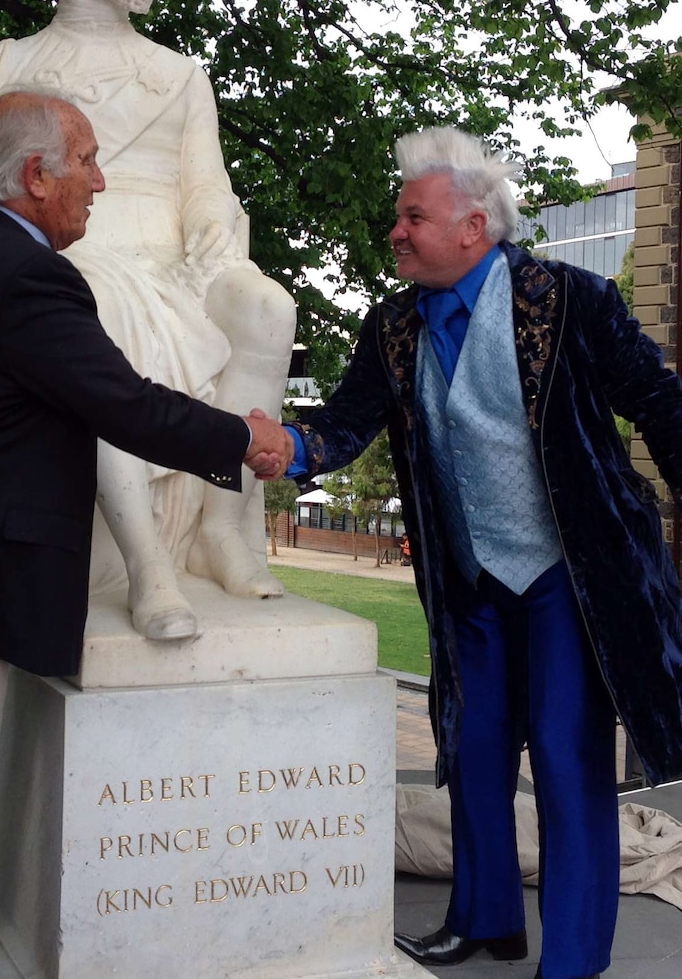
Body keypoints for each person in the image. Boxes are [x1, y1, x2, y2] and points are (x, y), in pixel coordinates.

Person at [0, 91, 292, 979]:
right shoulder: (30, 277)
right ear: (35, 177)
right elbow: (121, 399)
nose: (101, 180)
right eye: (86, 159)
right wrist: (243, 437)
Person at [283, 126, 682, 979]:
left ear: (474, 226)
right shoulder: (391, 326)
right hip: (466, 579)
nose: (395, 230)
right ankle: (486, 916)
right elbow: (342, 426)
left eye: (411, 215)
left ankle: (571, 963)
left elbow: (658, 399)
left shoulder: (572, 300)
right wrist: (282, 444)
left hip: (564, 574)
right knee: (471, 746)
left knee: (570, 759)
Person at [0, 0, 296, 643]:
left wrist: (212, 238)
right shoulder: (11, 65)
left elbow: (208, 192)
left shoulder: (180, 75)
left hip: (177, 266)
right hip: (63, 261)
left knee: (266, 306)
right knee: (87, 305)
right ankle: (148, 561)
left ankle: (221, 527)